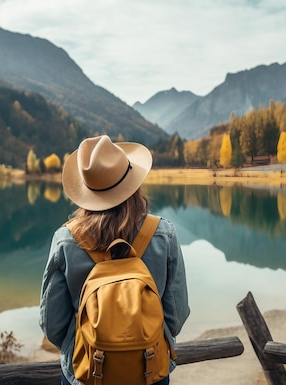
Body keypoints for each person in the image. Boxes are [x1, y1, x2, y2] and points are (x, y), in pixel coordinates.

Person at [39, 135, 190, 385]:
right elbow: (176, 314)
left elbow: (52, 323)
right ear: (133, 184)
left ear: (86, 190)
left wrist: (85, 345)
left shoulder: (65, 239)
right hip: (150, 369)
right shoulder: (164, 234)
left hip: (87, 372)